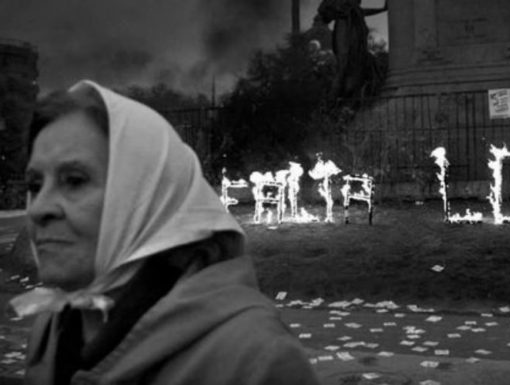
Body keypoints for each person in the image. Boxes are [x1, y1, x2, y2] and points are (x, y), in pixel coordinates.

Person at [11, 80, 320, 385]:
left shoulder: (254, 359)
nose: (38, 209)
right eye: (35, 185)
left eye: (74, 180)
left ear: (147, 196)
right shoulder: (50, 327)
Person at [316, 0, 387, 100]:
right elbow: (325, 9)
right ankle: (331, 102)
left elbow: (362, 11)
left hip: (357, 44)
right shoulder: (343, 10)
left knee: (357, 69)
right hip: (346, 36)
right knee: (343, 69)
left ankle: (344, 101)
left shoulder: (353, 8)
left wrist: (381, 9)